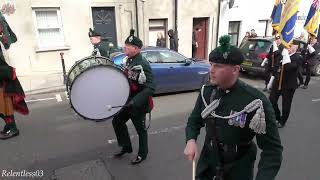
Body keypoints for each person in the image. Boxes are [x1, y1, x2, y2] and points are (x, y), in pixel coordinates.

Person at [184, 35, 282, 180]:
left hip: (237, 169)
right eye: (211, 64)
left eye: (218, 66)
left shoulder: (255, 101)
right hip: (208, 166)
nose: (211, 70)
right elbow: (194, 120)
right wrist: (191, 140)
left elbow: (272, 150)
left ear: (235, 70)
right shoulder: (207, 91)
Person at [112, 29, 156, 165]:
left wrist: (135, 101)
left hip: (138, 104)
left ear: (136, 49)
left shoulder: (143, 64)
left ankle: (142, 154)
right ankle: (126, 147)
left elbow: (151, 87)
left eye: (128, 46)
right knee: (117, 121)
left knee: (141, 131)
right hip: (127, 102)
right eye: (125, 45)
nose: (125, 47)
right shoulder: (129, 61)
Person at [0, 12, 29, 140]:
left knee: (5, 102)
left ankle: (12, 127)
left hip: (3, 74)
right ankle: (9, 125)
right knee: (3, 102)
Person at [268, 42, 301, 128]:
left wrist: (286, 57)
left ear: (296, 47)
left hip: (288, 85)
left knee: (286, 105)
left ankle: (283, 121)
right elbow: (276, 67)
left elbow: (290, 68)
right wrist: (271, 81)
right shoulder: (283, 55)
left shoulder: (298, 57)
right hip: (278, 82)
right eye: (288, 45)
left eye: (291, 46)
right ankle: (277, 116)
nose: (288, 47)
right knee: (272, 100)